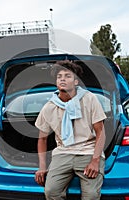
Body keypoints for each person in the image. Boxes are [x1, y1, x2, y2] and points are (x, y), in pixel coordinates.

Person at [34, 60, 107, 200]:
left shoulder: (89, 99)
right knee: (50, 192)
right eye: (59, 76)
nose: (62, 79)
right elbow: (42, 139)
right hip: (63, 153)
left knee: (91, 196)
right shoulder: (49, 107)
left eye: (67, 76)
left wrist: (95, 161)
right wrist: (42, 167)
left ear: (75, 82)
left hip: (88, 151)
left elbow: (100, 132)